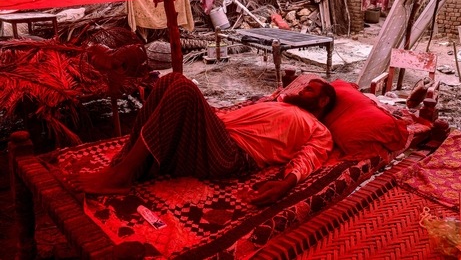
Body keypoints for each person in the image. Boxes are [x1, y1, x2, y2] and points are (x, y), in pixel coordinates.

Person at [72, 72, 336, 206]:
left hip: (231, 154)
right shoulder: (281, 104)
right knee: (170, 81)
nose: (301, 88)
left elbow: (308, 159)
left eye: (309, 89)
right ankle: (125, 164)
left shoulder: (319, 130)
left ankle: (123, 175)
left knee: (185, 88)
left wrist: (286, 184)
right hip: (216, 135)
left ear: (322, 101)